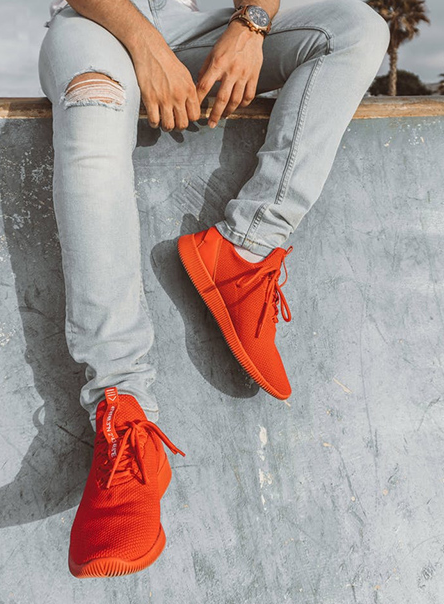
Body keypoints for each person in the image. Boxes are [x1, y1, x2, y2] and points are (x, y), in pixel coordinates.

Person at [37, 0, 389, 578]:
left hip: (210, 21)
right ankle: (123, 413)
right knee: (92, 108)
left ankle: (244, 249)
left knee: (356, 28)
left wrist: (251, 24)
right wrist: (146, 46)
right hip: (101, 24)